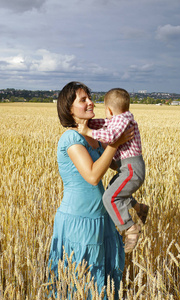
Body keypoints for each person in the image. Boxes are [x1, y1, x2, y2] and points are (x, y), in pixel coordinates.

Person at [47, 82, 134, 299]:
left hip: (101, 219)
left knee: (102, 284)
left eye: (89, 97)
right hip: (79, 221)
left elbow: (113, 164)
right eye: (83, 99)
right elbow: (93, 176)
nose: (90, 102)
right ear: (69, 108)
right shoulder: (71, 138)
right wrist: (115, 143)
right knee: (81, 282)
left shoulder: (94, 135)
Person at [77, 88, 149, 254]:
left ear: (109, 110)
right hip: (127, 167)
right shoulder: (119, 119)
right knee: (114, 190)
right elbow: (103, 124)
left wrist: (87, 131)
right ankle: (139, 208)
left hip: (131, 168)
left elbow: (111, 137)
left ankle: (130, 227)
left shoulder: (122, 121)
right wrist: (84, 123)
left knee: (109, 198)